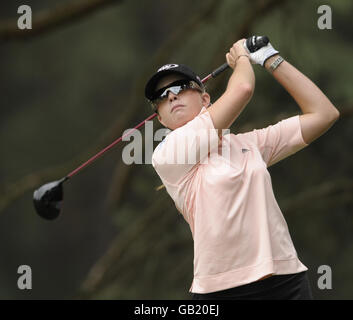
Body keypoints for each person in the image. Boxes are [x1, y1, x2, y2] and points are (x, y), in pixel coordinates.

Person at [144, 37, 340, 300]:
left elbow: (324, 114)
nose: (171, 95)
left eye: (181, 87)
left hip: (285, 281)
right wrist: (243, 58)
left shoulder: (250, 145)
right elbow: (244, 88)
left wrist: (271, 58)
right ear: (160, 118)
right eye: (161, 96)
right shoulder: (167, 154)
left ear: (205, 98)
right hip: (221, 291)